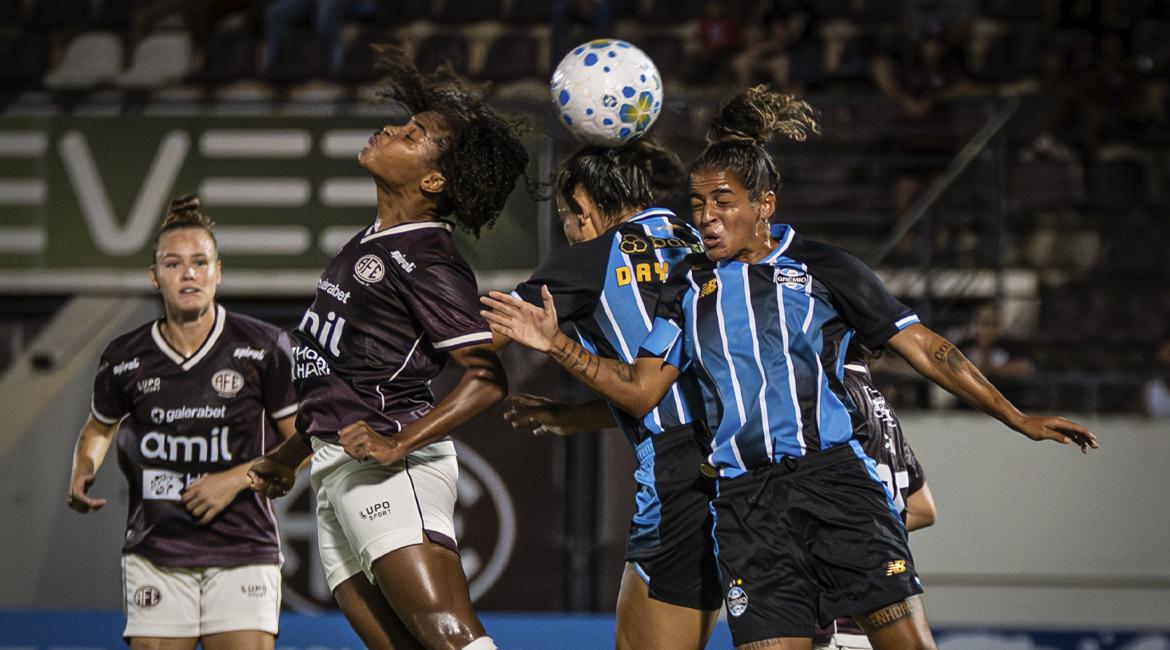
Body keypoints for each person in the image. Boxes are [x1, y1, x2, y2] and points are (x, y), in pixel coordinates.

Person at [481, 85, 1097, 650]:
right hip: (744, 501)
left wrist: (1016, 417)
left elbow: (929, 349)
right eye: (698, 203)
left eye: (723, 202)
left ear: (764, 205)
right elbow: (647, 391)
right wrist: (558, 347)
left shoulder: (823, 266)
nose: (706, 216)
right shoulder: (686, 283)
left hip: (833, 481)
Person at [248, 45, 529, 650]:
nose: (392, 130)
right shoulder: (367, 242)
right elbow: (343, 381)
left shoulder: (428, 258)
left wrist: (399, 443)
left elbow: (487, 379)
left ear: (434, 180)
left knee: (450, 637)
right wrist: (291, 455)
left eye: (413, 134)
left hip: (391, 466)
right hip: (337, 466)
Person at [503, 139, 722, 650]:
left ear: (583, 205)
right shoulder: (698, 242)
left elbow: (484, 333)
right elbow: (682, 381)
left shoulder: (591, 258)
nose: (568, 228)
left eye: (565, 215)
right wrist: (578, 418)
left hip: (679, 473)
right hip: (744, 457)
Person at [66, 195, 299, 649]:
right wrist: (83, 468)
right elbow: (99, 426)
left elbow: (302, 442)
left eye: (199, 262)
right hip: (156, 552)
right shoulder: (125, 356)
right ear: (155, 276)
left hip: (243, 550)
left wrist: (235, 479)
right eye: (173, 264)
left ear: (218, 272)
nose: (188, 273)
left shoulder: (265, 346)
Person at [814, 345, 937, 650]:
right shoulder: (882, 406)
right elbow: (923, 508)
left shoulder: (823, 390)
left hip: (833, 621)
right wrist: (875, 532)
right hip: (880, 614)